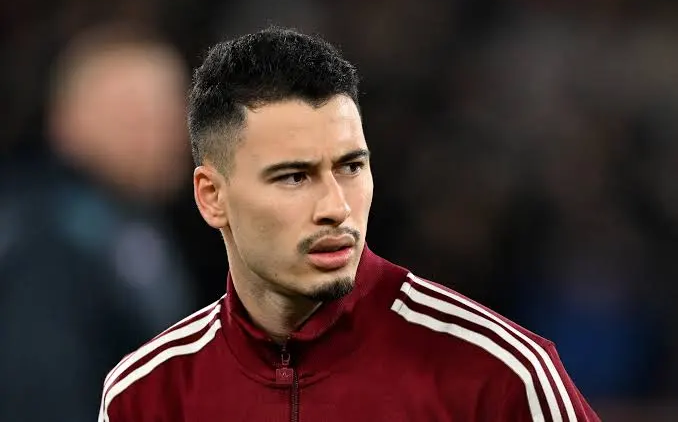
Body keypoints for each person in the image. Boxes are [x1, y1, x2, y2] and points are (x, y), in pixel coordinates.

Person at [98, 27, 600, 421]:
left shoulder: (500, 375)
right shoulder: (145, 396)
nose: (336, 206)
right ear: (212, 197)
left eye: (351, 167)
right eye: (294, 177)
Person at [0, 24, 196, 422]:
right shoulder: (50, 243)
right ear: (66, 121)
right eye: (133, 116)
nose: (159, 134)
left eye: (169, 114)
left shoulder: (133, 221)